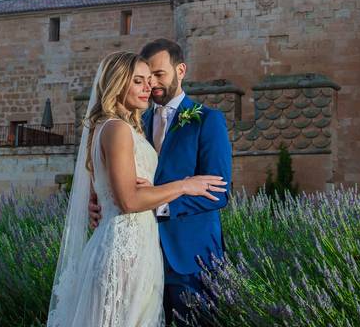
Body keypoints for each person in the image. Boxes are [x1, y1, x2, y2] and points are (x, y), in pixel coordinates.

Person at [47, 51, 227, 327]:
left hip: (183, 257)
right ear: (119, 83)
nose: (150, 86)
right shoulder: (125, 124)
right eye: (140, 80)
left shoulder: (205, 120)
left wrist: (107, 198)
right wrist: (182, 186)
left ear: (180, 70)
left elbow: (218, 190)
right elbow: (124, 195)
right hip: (129, 251)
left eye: (156, 76)